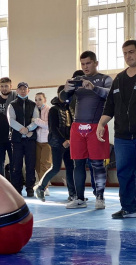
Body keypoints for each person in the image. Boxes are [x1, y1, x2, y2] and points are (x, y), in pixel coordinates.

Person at [60, 51, 112, 209]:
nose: (85, 67)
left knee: (97, 163)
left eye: (88, 63)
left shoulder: (105, 79)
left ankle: (100, 198)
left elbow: (111, 95)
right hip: (77, 126)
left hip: (96, 125)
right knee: (78, 163)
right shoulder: (78, 80)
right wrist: (66, 90)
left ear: (96, 63)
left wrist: (94, 87)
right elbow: (63, 99)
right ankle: (79, 198)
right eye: (82, 64)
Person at [97, 40, 136, 218]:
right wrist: (101, 123)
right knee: (124, 173)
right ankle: (128, 208)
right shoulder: (119, 79)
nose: (128, 56)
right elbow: (109, 106)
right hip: (122, 137)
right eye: (125, 53)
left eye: (132, 52)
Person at [34, 86, 75, 201]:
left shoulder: (70, 109)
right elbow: (53, 128)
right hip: (57, 143)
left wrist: (70, 140)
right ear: (58, 94)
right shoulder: (53, 110)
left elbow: (73, 126)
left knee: (70, 167)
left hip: (69, 143)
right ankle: (41, 187)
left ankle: (73, 194)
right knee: (56, 167)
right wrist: (63, 141)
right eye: (63, 93)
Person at [8, 82, 38, 197]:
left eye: (25, 89)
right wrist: (22, 130)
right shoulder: (12, 105)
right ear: (17, 91)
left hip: (30, 139)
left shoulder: (33, 105)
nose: (22, 90)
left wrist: (29, 128)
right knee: (17, 165)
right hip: (17, 140)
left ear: (28, 91)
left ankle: (30, 188)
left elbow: (36, 119)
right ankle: (17, 189)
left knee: (30, 165)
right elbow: (11, 120)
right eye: (20, 89)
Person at [33, 92, 52, 194]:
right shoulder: (35, 110)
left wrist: (36, 121)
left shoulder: (49, 110)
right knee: (37, 165)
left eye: (40, 99)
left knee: (45, 164)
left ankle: (45, 187)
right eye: (36, 100)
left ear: (45, 99)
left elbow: (48, 125)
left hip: (47, 141)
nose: (37, 102)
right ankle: (41, 184)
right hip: (37, 141)